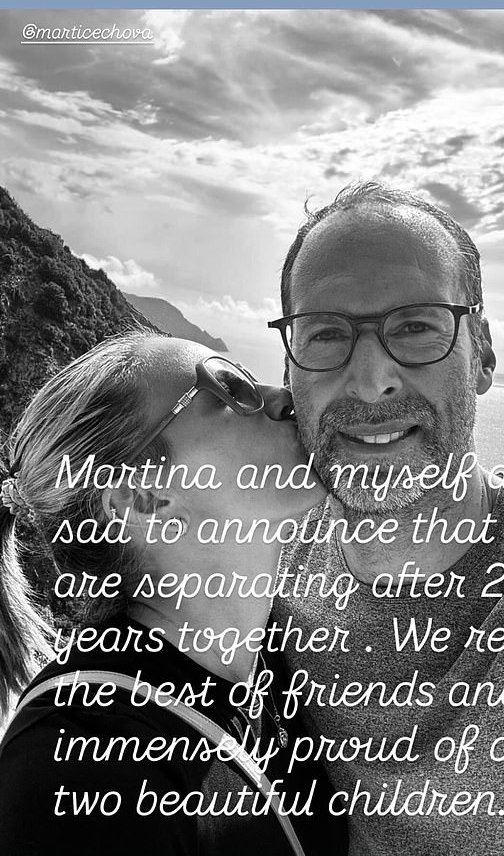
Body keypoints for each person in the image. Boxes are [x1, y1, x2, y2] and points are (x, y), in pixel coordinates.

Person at [268, 182, 504, 855]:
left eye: (416, 327)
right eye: (326, 333)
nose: (370, 379)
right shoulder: (275, 558)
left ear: (483, 355)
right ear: (290, 368)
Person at [0, 329, 344, 855]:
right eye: (230, 389)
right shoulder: (79, 769)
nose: (285, 396)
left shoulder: (281, 657)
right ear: (144, 498)